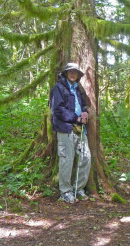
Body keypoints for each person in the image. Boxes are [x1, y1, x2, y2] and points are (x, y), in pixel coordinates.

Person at [50, 63, 91, 203]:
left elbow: (82, 104)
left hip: (80, 129)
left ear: (78, 75)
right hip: (65, 129)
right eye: (70, 71)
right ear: (66, 73)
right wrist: (76, 118)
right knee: (67, 160)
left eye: (75, 72)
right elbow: (58, 110)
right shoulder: (58, 88)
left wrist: (84, 112)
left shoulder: (77, 89)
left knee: (86, 158)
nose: (73, 74)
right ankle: (65, 192)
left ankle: (78, 189)